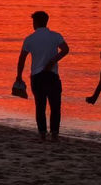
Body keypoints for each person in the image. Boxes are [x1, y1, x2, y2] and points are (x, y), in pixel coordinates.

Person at [16, 11, 69, 141]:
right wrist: (53, 61)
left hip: (37, 76)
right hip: (52, 75)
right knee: (55, 106)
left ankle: (42, 134)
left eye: (33, 22)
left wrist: (19, 76)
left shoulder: (30, 39)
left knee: (40, 106)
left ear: (36, 23)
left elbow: (22, 59)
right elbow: (66, 49)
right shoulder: (55, 36)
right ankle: (55, 134)